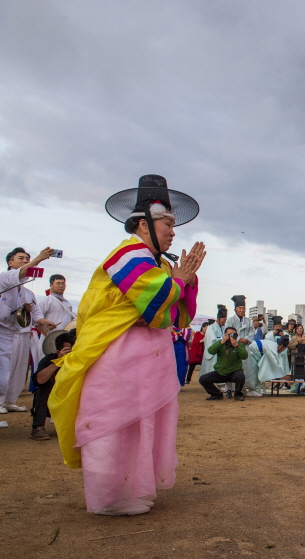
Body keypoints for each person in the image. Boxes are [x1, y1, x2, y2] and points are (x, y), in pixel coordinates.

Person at [48, 174, 204, 516]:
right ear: (144, 224)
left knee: (140, 425)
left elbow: (176, 317)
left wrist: (184, 282)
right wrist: (177, 282)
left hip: (146, 358)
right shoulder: (127, 254)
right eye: (167, 223)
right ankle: (108, 496)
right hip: (118, 354)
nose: (173, 231)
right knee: (114, 423)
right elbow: (152, 303)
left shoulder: (158, 262)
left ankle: (133, 490)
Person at [0, 247, 55, 424]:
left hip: (13, 333)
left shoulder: (26, 292)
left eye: (27, 258)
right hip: (3, 332)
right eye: (21, 258)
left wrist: (44, 322)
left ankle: (9, 401)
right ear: (10, 262)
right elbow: (23, 271)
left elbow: (35, 315)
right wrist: (39, 258)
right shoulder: (4, 278)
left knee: (15, 372)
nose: (25, 261)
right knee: (1, 375)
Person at [30, 331, 75, 440]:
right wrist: (58, 362)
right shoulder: (49, 359)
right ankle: (38, 427)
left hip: (73, 403)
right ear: (58, 351)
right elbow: (39, 381)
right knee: (45, 385)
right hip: (54, 403)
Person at [225, 295, 261, 397]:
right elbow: (227, 332)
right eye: (239, 308)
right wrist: (238, 338)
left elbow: (251, 332)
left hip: (245, 347)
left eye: (243, 308)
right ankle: (229, 389)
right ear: (235, 309)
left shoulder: (248, 321)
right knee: (231, 367)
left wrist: (247, 339)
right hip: (233, 347)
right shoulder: (230, 320)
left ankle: (249, 389)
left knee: (249, 367)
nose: (241, 310)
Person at [199, 326, 247, 400]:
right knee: (203, 379)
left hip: (234, 371)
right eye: (229, 334)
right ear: (225, 335)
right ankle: (216, 394)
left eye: (233, 334)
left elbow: (244, 356)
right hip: (221, 371)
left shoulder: (239, 344)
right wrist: (222, 342)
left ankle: (238, 394)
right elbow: (210, 351)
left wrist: (236, 346)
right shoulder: (221, 343)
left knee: (241, 376)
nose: (231, 337)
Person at [201, 305, 227, 380]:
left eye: (225, 320)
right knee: (211, 368)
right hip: (213, 352)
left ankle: (221, 383)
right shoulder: (211, 327)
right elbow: (212, 340)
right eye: (223, 319)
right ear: (218, 319)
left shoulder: (223, 327)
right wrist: (222, 340)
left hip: (221, 352)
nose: (224, 321)